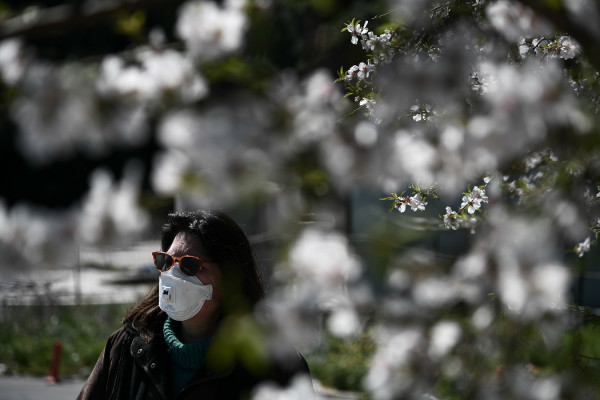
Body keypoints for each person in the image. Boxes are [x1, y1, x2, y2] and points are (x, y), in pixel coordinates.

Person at [77, 210, 312, 400]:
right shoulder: (125, 347)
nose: (173, 274)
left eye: (191, 265)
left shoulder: (274, 364)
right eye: (166, 261)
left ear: (231, 278)